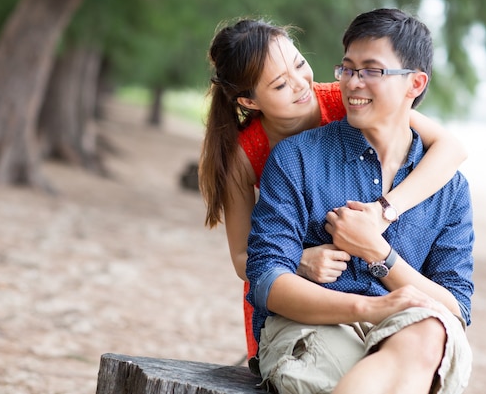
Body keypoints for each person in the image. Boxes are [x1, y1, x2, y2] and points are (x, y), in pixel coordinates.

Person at [198, 18, 468, 365]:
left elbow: (451, 149)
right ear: (250, 102)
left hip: (356, 264)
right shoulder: (245, 153)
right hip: (289, 275)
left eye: (299, 64)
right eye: (281, 85)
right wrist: (299, 262)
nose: (301, 85)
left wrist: (385, 210)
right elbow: (241, 257)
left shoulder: (347, 100)